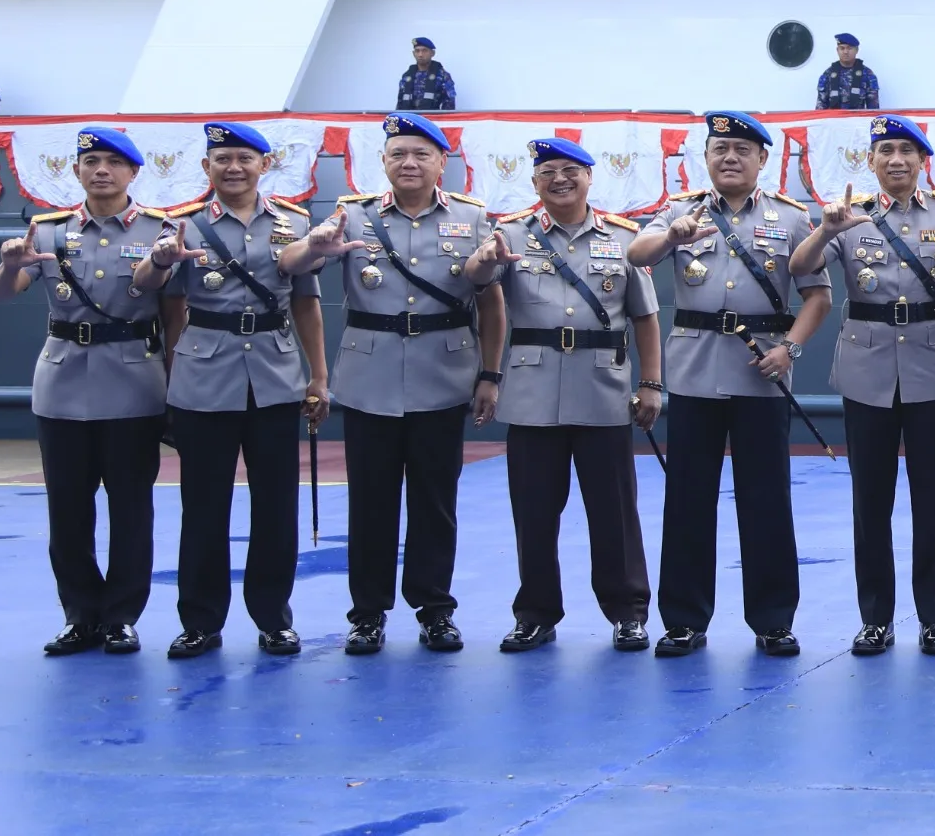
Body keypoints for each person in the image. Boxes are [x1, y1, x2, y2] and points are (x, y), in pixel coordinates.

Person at [281, 113, 504, 656]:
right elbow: (291, 266)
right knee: (371, 503)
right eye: (399, 153)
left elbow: (491, 303)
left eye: (421, 154)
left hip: (444, 374)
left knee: (436, 501)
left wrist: (490, 373)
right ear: (382, 162)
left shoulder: (474, 221)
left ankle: (434, 609)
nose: (409, 163)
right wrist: (314, 247)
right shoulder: (349, 218)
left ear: (441, 163)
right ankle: (367, 614)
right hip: (369, 376)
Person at [629, 113, 832, 659]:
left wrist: (789, 349)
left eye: (743, 149)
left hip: (760, 373)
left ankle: (773, 620)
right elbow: (637, 255)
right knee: (688, 501)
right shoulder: (680, 212)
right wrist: (670, 235)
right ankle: (684, 621)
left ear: (762, 159)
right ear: (707, 157)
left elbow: (818, 296)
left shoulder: (790, 219)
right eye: (720, 149)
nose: (730, 158)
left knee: (767, 501)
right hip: (695, 373)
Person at [792, 114, 935, 658]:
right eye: (885, 151)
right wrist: (827, 228)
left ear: (922, 161)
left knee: (934, 501)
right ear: (871, 162)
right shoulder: (848, 217)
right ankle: (875, 618)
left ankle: (934, 619)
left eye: (906, 150)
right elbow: (799, 266)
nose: (896, 159)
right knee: (869, 502)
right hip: (867, 371)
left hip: (932, 370)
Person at [132, 121, 329, 659]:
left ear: (265, 166)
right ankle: (200, 621)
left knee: (275, 506)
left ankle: (273, 618)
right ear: (206, 168)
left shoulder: (295, 224)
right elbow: (168, 307)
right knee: (203, 507)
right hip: (204, 379)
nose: (234, 167)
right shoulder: (183, 227)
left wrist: (318, 376)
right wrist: (175, 377)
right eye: (223, 159)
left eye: (245, 158)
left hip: (275, 377)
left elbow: (306, 303)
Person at [463, 138, 663, 654]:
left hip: (604, 390)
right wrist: (484, 261)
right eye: (548, 171)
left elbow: (644, 317)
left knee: (614, 511)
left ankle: (628, 612)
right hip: (532, 391)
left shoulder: (623, 237)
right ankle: (535, 613)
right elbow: (480, 284)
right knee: (533, 511)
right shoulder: (507, 235)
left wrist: (651, 382)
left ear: (590, 178)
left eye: (570, 170)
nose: (559, 179)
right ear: (534, 182)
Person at [0, 127, 168, 657]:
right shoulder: (45, 232)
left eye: (114, 162)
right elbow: (1, 293)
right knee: (67, 509)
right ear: (77, 172)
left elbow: (171, 308)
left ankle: (121, 617)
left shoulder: (160, 230)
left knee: (132, 508)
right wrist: (10, 265)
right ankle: (79, 614)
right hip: (63, 382)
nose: (102, 171)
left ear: (134, 172)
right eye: (91, 162)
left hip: (134, 382)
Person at [817, 33, 880, 111]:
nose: (846, 52)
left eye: (849, 48)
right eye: (842, 48)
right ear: (837, 50)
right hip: (833, 121)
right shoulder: (828, 74)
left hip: (857, 120)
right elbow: (820, 108)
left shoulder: (868, 75)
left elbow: (873, 110)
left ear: (856, 50)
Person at [395, 38, 456, 112]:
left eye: (424, 51)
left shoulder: (442, 76)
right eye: (417, 51)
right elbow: (400, 104)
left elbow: (449, 106)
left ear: (432, 53)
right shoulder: (407, 76)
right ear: (414, 54)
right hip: (408, 120)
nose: (420, 54)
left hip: (431, 120)